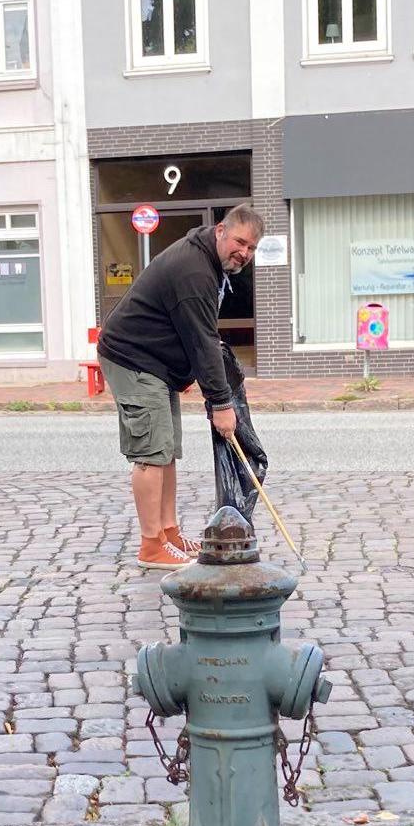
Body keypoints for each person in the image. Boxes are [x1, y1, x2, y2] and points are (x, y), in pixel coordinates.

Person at [97, 205, 261, 569]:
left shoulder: (209, 261)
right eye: (240, 242)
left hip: (157, 364)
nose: (244, 253)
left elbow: (195, 334)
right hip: (132, 358)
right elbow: (202, 338)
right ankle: (151, 545)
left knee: (167, 450)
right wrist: (220, 404)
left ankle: (168, 532)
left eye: (251, 247)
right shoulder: (195, 271)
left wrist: (186, 373)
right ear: (220, 231)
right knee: (151, 453)